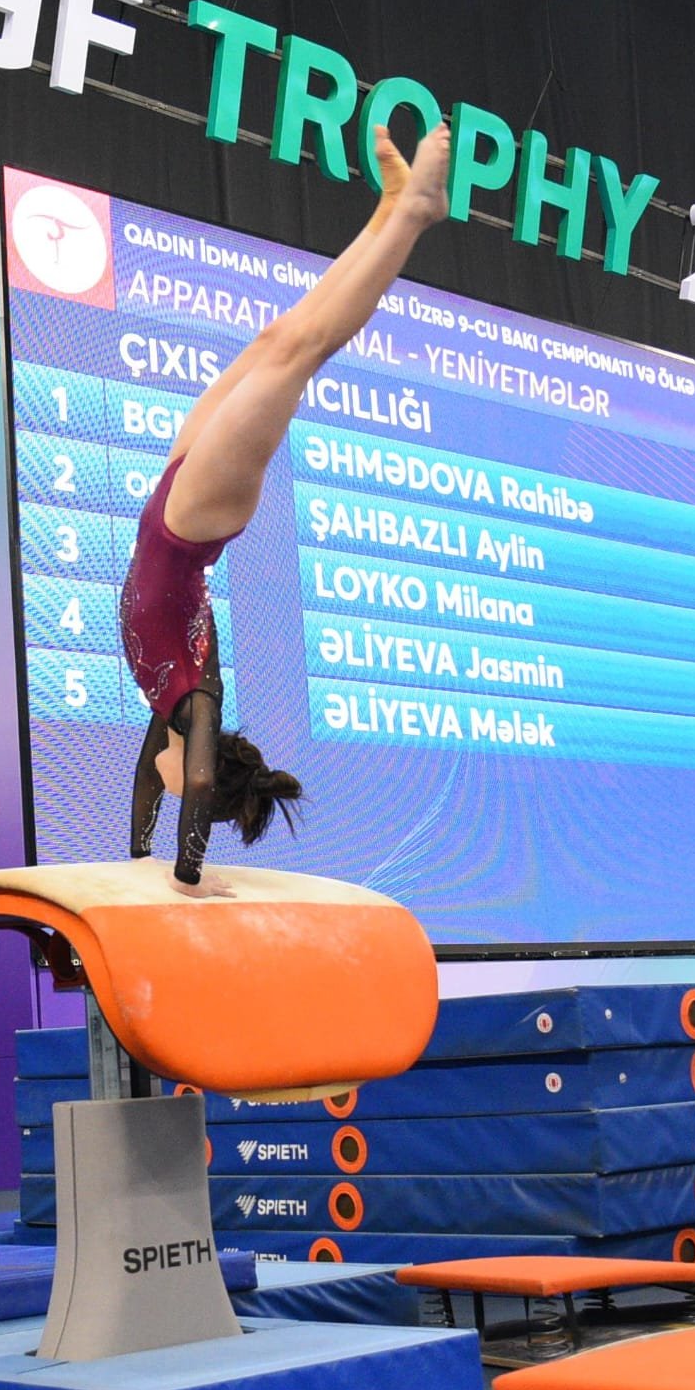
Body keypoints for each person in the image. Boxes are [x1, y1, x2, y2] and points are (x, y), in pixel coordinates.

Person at [120, 121, 451, 897]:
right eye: (177, 779)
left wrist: (135, 864)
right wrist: (184, 871)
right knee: (300, 351)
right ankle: (412, 216)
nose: (160, 778)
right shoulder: (195, 701)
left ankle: (392, 209)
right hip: (195, 520)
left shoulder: (160, 712)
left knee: (281, 338)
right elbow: (192, 789)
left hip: (175, 497)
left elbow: (148, 787)